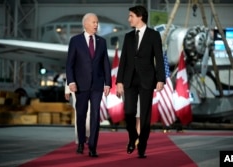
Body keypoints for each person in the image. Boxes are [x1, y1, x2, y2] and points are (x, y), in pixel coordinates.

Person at [116, 5, 165, 158]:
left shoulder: (154, 35)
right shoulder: (128, 36)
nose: (128, 19)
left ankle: (142, 146)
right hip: (129, 79)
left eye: (131, 16)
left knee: (144, 115)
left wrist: (161, 79)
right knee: (128, 112)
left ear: (140, 17)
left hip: (147, 80)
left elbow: (159, 58)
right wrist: (119, 81)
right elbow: (123, 59)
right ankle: (132, 138)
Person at [66, 13, 111, 157]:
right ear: (85, 24)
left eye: (97, 22)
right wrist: (71, 82)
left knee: (96, 115)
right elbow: (69, 64)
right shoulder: (75, 41)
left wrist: (108, 83)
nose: (96, 25)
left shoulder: (102, 41)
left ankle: (92, 146)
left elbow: (106, 64)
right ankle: (80, 142)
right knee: (81, 114)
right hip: (80, 85)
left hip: (97, 85)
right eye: (93, 22)